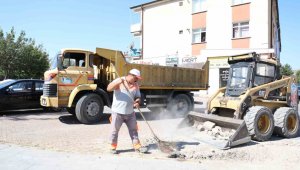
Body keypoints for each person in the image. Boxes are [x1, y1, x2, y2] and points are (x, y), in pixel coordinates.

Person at [107, 68, 147, 154]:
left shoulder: (136, 85)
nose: (136, 80)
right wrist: (118, 82)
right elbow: (108, 88)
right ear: (131, 76)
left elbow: (138, 96)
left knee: (134, 130)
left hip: (130, 113)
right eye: (136, 78)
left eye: (137, 79)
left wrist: (137, 102)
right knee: (114, 130)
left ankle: (137, 146)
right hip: (117, 112)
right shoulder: (120, 80)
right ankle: (112, 147)